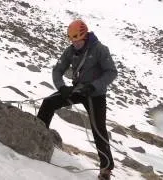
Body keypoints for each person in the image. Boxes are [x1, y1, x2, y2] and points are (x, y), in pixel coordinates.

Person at [37, 19, 117, 180]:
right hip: (78, 90)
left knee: (98, 130)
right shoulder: (71, 50)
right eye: (73, 41)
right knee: (48, 103)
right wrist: (61, 88)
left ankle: (106, 170)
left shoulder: (100, 49)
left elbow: (111, 72)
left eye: (78, 41)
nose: (75, 44)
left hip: (95, 95)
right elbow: (57, 70)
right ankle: (36, 136)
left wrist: (94, 86)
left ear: (85, 36)